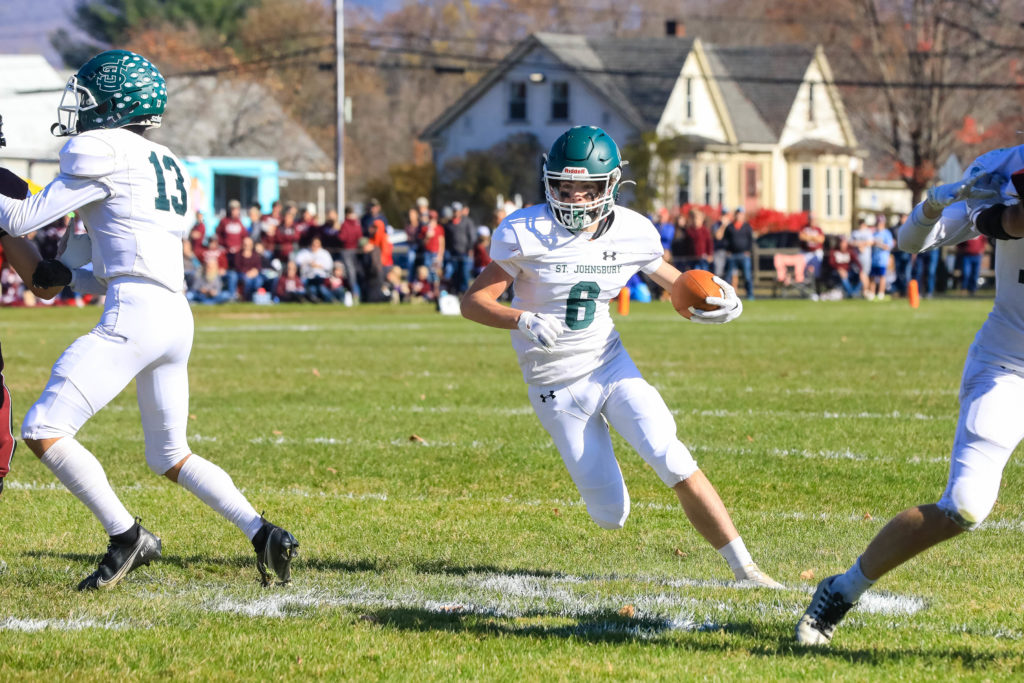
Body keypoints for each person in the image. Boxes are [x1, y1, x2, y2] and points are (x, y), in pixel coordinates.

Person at [0, 50, 298, 591]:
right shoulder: (164, 162)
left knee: (44, 428)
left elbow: (20, 217)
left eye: (88, 100)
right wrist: (63, 274)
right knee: (170, 454)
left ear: (112, 106)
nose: (78, 111)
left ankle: (125, 534)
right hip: (172, 314)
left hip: (136, 313)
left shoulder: (100, 147)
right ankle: (263, 532)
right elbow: (89, 271)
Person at [462, 126, 779, 587]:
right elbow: (473, 303)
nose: (572, 198)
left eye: (585, 188)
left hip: (609, 364)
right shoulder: (523, 231)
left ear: (610, 185)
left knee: (671, 457)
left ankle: (745, 569)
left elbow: (677, 284)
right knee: (611, 514)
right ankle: (609, 484)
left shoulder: (634, 231)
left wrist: (720, 301)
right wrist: (522, 319)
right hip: (556, 385)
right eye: (563, 186)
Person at [793, 163, 1011, 646]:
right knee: (965, 505)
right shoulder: (1005, 168)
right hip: (1010, 364)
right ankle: (843, 589)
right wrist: (935, 204)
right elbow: (912, 243)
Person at [723, 207, 754, 299]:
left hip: (743, 255)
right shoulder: (729, 227)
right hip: (732, 255)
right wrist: (727, 250)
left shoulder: (747, 227)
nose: (739, 216)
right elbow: (725, 240)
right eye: (737, 214)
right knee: (728, 277)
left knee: (747, 276)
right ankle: (726, 296)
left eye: (741, 214)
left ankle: (750, 295)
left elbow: (751, 240)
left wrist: (748, 251)